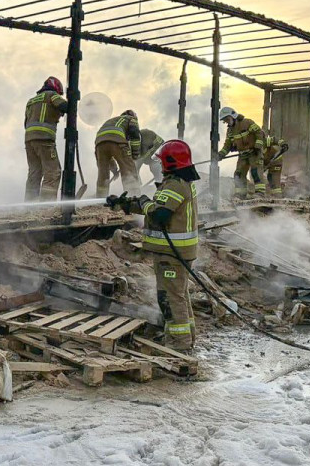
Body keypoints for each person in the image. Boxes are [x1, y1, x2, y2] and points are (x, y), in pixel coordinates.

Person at [106, 139, 200, 351]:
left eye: (161, 162)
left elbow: (159, 213)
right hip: (177, 253)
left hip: (171, 255)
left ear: (170, 162)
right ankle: (186, 337)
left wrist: (145, 203)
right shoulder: (180, 182)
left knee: (170, 297)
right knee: (179, 294)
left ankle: (180, 345)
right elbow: (157, 206)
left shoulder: (175, 185)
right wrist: (124, 204)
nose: (158, 165)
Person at [23, 76, 68, 201]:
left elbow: (25, 122)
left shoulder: (31, 101)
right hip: (44, 139)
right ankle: (46, 205)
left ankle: (29, 204)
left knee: (34, 172)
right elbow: (64, 106)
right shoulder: (51, 95)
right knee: (53, 172)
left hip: (29, 139)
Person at [217, 106, 265, 199]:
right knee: (238, 174)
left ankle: (260, 193)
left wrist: (257, 146)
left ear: (233, 116)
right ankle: (240, 194)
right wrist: (221, 154)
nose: (226, 122)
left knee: (255, 172)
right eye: (225, 120)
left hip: (254, 153)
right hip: (243, 155)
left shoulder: (247, 123)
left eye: (227, 119)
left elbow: (259, 133)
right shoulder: (230, 131)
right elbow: (227, 144)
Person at [94, 109, 142, 197]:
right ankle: (134, 197)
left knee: (103, 174)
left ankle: (100, 198)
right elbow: (135, 135)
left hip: (100, 143)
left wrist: (114, 170)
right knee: (129, 170)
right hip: (118, 141)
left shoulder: (112, 121)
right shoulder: (131, 119)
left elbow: (109, 156)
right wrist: (135, 155)